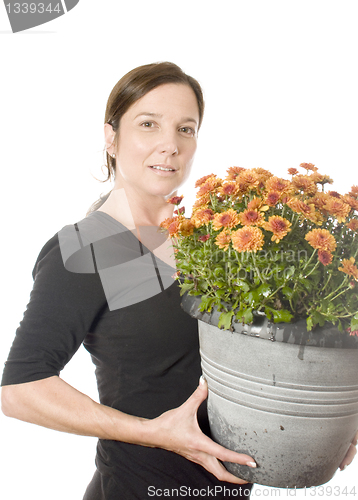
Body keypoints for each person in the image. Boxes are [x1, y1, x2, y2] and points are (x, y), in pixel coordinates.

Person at [1, 62, 357, 500]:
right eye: (148, 124)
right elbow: (21, 388)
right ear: (111, 138)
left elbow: (276, 345)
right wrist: (154, 433)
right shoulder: (89, 247)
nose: (169, 146)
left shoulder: (210, 239)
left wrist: (332, 416)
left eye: (185, 129)